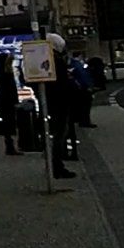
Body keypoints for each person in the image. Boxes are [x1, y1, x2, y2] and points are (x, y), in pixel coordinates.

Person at [46, 34, 78, 179]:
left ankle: (57, 165)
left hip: (53, 101)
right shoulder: (57, 61)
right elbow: (63, 83)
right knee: (60, 134)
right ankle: (57, 166)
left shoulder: (47, 59)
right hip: (60, 102)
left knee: (59, 133)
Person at [0, 53, 23, 156]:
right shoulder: (5, 74)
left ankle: (10, 146)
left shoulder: (1, 74)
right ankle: (11, 147)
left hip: (4, 103)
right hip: (7, 104)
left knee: (8, 125)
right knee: (9, 124)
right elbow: (7, 91)